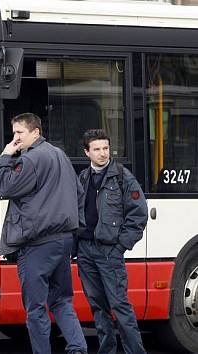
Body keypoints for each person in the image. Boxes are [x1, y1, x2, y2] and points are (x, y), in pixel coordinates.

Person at [0, 113, 88, 354]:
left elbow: (5, 186)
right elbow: (79, 194)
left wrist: (5, 156)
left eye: (19, 133)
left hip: (37, 244)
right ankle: (78, 348)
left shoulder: (32, 159)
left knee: (35, 308)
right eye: (13, 133)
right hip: (64, 240)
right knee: (62, 300)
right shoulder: (61, 156)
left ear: (35, 132)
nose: (15, 138)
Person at [77, 129, 147, 354]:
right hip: (86, 251)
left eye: (105, 148)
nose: (102, 153)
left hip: (109, 252)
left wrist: (120, 247)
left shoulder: (122, 177)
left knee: (120, 305)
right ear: (87, 152)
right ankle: (107, 350)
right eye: (96, 149)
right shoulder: (83, 178)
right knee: (98, 307)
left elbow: (138, 215)